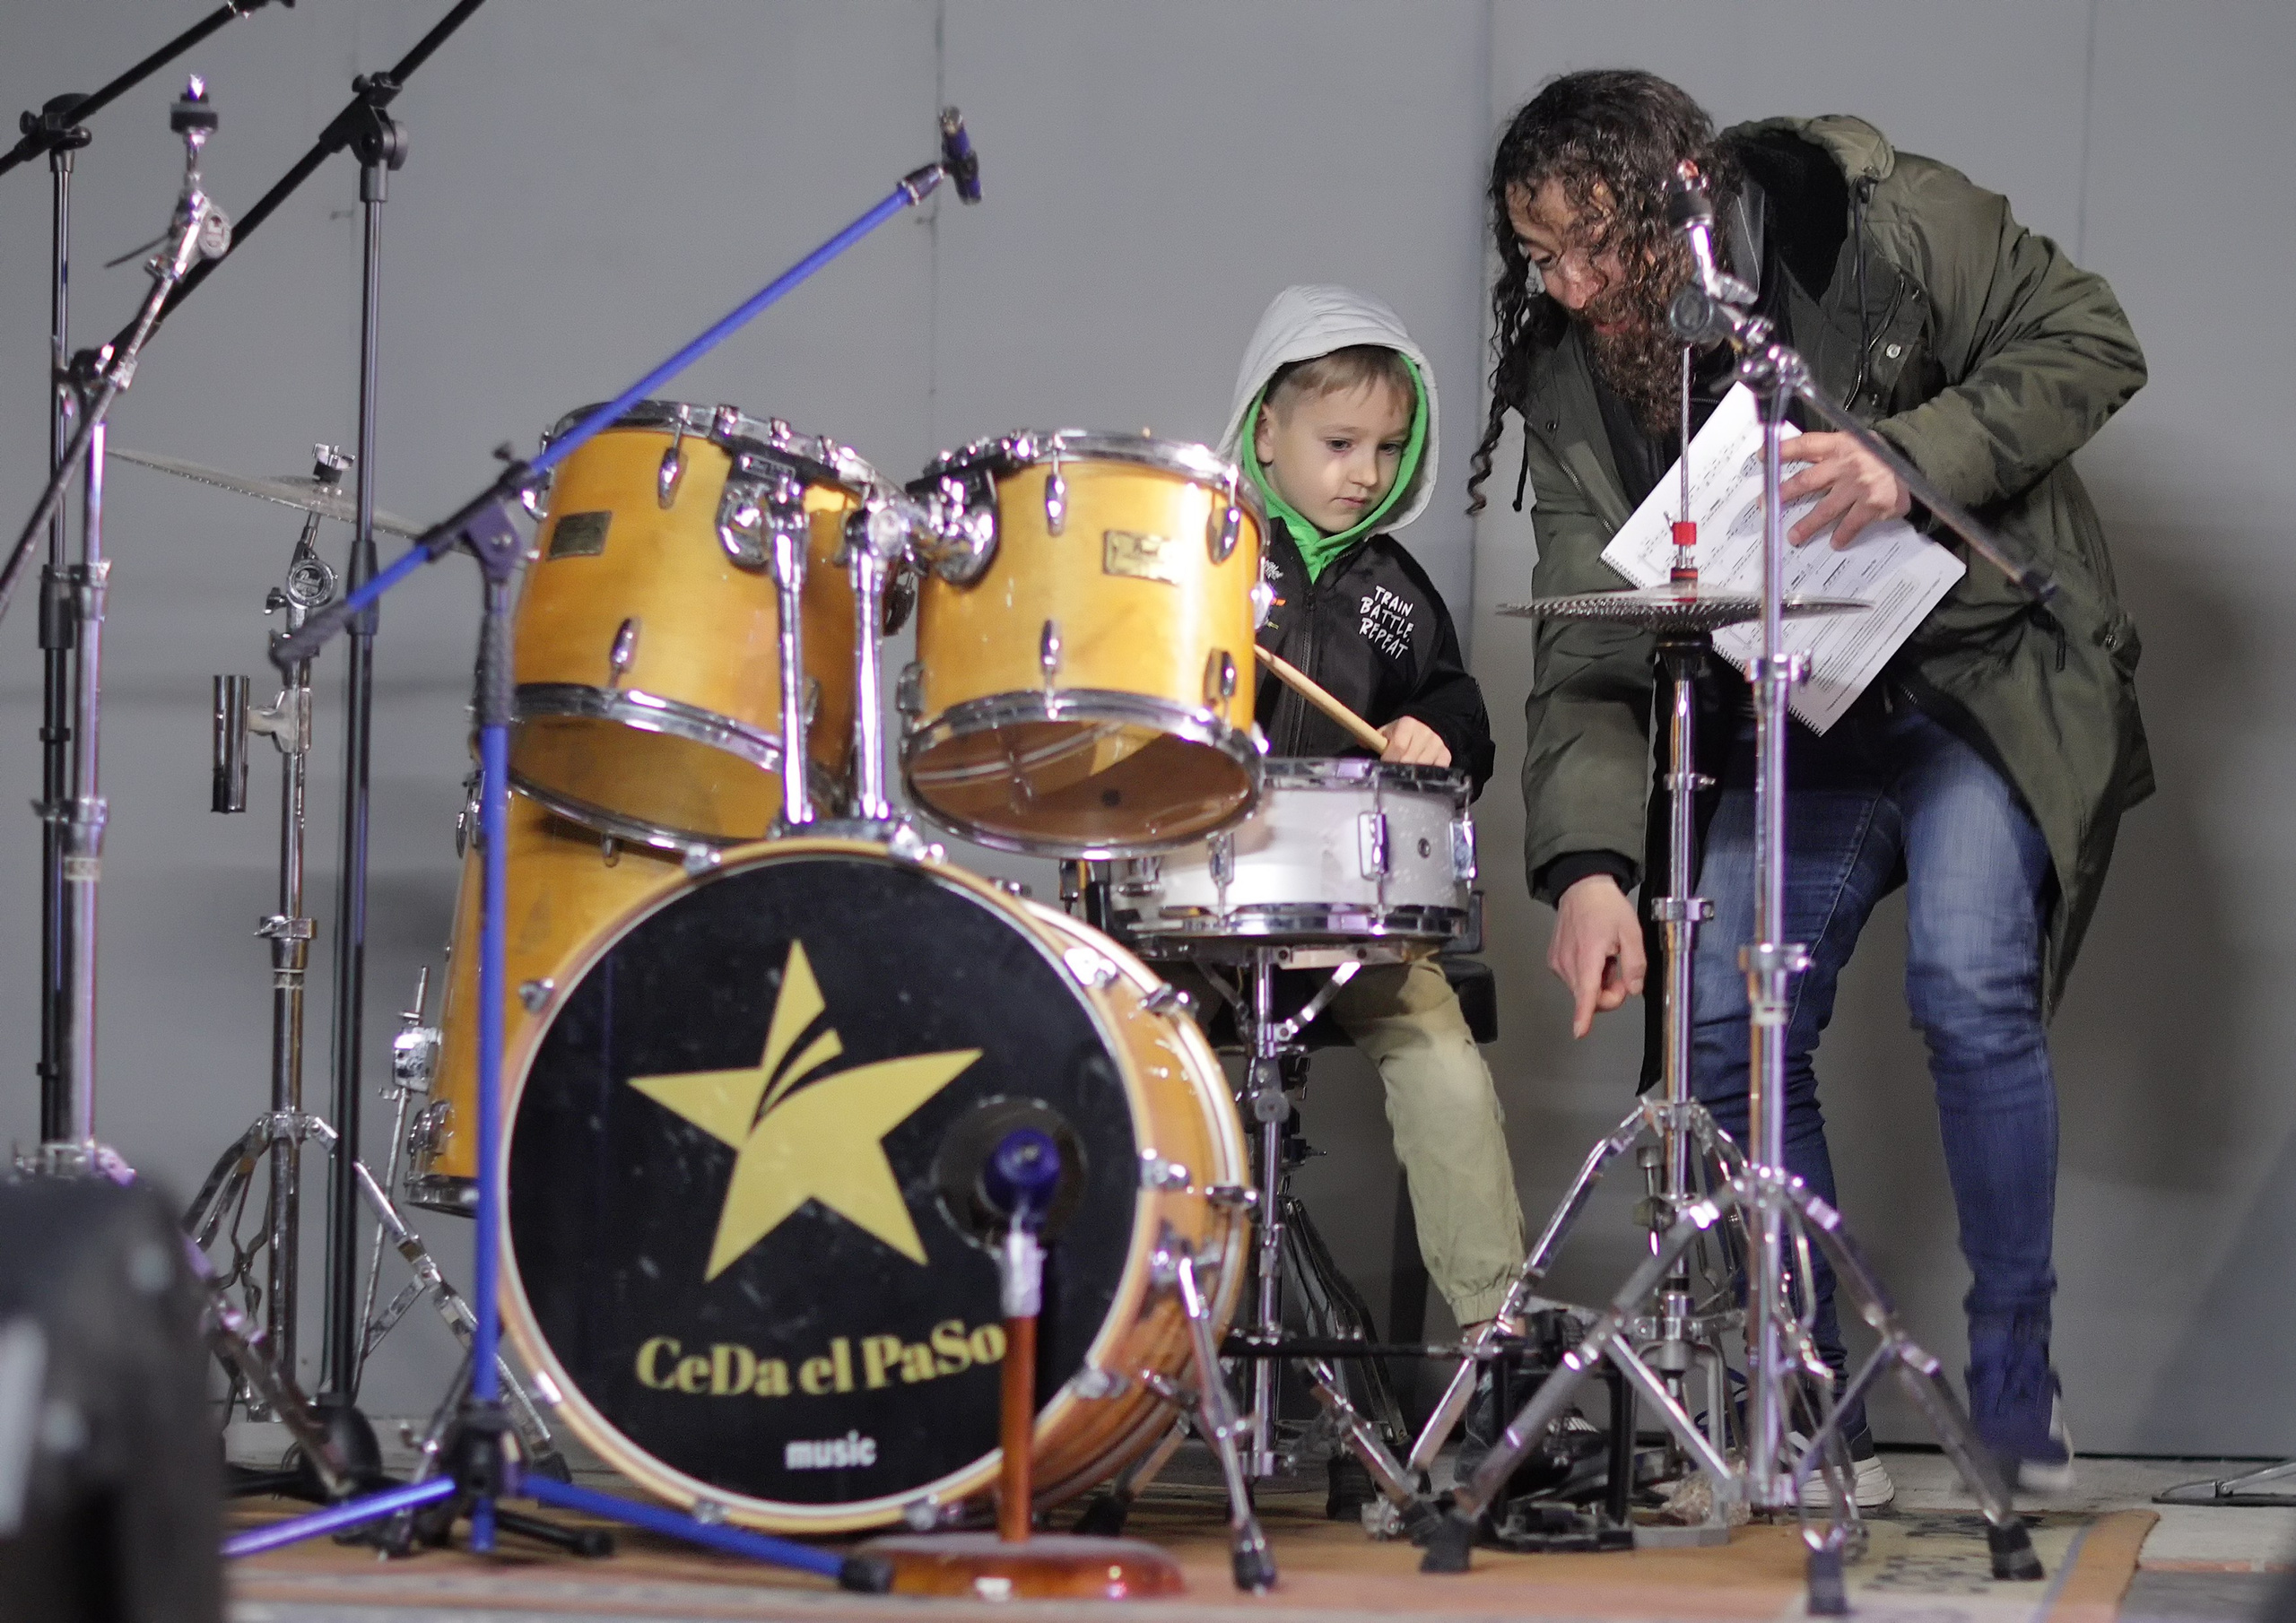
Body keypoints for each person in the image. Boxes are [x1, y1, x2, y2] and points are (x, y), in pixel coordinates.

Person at [1474, 71, 2150, 1505]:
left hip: (1977, 682)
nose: (1574, 287)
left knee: (1968, 983)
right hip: (1803, 716)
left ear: (1683, 202)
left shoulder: (1886, 222)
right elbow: (1589, 639)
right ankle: (1811, 1408)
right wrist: (1590, 867)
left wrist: (1912, 460)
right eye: (1542, 255)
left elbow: (2092, 338)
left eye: (1597, 246)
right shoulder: (1570, 381)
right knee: (1715, 1019)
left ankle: (2014, 1379)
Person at [1214, 285, 1526, 1347]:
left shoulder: (1397, 591)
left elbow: (1459, 710)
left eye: (1390, 448)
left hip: (1352, 919)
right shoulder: (1205, 557)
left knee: (1441, 1057)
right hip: (1195, 914)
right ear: (1266, 429)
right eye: (1340, 443)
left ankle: (1492, 1332)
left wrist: (1437, 732)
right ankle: (1127, 1332)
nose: (1366, 472)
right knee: (1126, 1055)